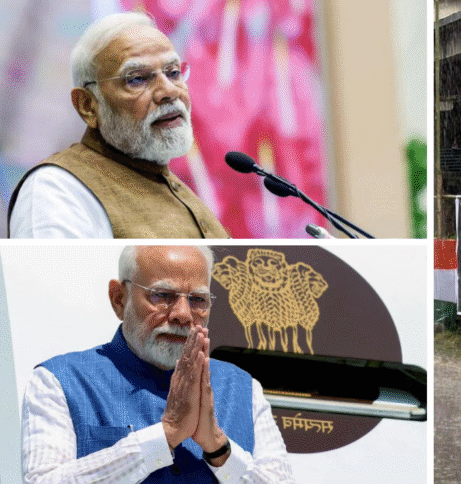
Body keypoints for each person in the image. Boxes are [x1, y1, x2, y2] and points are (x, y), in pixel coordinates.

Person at [20, 246, 294, 483]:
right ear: (119, 298)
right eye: (162, 295)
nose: (183, 315)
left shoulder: (242, 387)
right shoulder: (60, 381)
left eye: (197, 300)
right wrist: (165, 435)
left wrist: (219, 448)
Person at [8, 12, 229, 238]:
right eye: (137, 79)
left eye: (173, 73)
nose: (170, 91)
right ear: (88, 105)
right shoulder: (57, 190)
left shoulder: (179, 191)